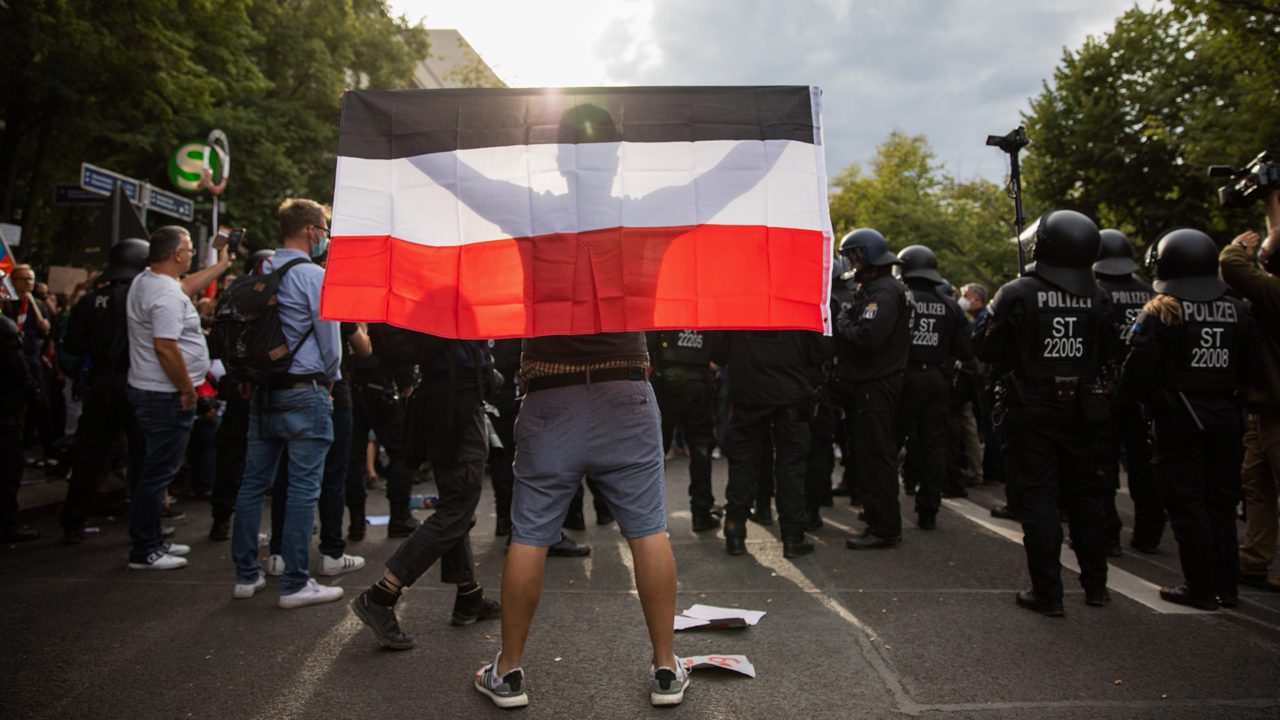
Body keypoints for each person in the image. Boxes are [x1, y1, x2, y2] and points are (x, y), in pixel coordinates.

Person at [471, 332, 686, 709]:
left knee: (531, 535)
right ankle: (666, 668)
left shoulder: (534, 267)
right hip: (625, 389)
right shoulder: (635, 268)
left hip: (550, 394)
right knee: (649, 531)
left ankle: (508, 671)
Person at [976, 209, 1118, 616]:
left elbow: (987, 350)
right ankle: (1096, 587)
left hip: (1032, 409)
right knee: (1086, 498)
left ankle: (1048, 595)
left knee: (1039, 499)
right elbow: (1111, 352)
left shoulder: (1018, 292)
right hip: (1085, 409)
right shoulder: (1099, 296)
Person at [1124, 228, 1253, 610]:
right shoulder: (1239, 310)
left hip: (1178, 419)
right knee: (1221, 504)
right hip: (1227, 417)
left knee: (1187, 504)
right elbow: (1251, 370)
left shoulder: (1162, 310)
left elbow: (1135, 375)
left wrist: (1142, 403)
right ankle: (1226, 588)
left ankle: (1199, 587)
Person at [350, 328, 500, 647]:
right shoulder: (456, 293)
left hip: (439, 401)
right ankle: (382, 593)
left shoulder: (429, 296)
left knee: (454, 505)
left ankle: (468, 594)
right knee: (456, 509)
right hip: (457, 405)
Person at [230, 198, 343, 607]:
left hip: (263, 390)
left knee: (253, 485)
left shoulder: (260, 271)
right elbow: (329, 336)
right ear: (311, 231)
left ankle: (246, 576)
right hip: (304, 390)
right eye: (325, 230)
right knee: (301, 488)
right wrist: (331, 379)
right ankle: (295, 583)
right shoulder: (313, 275)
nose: (325, 238)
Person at [125, 227, 233, 570]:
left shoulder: (150, 281)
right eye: (187, 249)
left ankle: (152, 539)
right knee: (158, 473)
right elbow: (165, 346)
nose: (190, 254)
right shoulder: (165, 295)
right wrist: (188, 389)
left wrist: (222, 264)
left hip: (151, 391)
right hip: (165, 395)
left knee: (153, 470)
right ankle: (145, 550)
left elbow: (186, 286)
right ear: (176, 255)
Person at [60, 238, 150, 544]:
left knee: (89, 453)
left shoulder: (89, 300)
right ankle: (143, 527)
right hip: (134, 382)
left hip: (99, 385)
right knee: (141, 455)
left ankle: (73, 522)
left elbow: (72, 345)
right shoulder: (141, 297)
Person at [712, 329, 826, 558]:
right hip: (790, 394)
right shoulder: (798, 302)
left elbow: (718, 355)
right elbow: (821, 351)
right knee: (790, 467)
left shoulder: (741, 304)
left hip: (749, 394)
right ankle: (793, 538)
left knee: (743, 464)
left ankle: (735, 533)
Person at [833, 229, 911, 550]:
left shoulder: (884, 292)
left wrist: (841, 323)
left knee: (877, 457)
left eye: (854, 255)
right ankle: (878, 515)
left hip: (877, 386)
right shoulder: (882, 289)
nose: (850, 261)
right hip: (876, 384)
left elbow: (867, 337)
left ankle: (884, 527)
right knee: (871, 455)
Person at [1219, 189, 1280, 594]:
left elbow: (1231, 265)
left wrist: (1239, 245)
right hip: (1264, 407)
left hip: (1279, 409)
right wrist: (1272, 205)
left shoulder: (1274, 292)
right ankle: (1254, 561)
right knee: (1256, 484)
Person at [895, 245, 973, 530]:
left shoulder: (899, 299)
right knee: (934, 446)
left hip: (904, 379)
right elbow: (966, 349)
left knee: (889, 442)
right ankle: (929, 511)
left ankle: (881, 510)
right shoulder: (950, 306)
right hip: (938, 381)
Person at [1093, 229, 1160, 555]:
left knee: (1103, 464)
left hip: (1106, 387)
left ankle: (1108, 536)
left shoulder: (1095, 292)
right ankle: (1148, 533)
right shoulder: (1149, 293)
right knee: (1143, 464)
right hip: (1143, 391)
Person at [648, 330, 718, 532]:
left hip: (666, 383)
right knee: (701, 449)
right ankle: (701, 513)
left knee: (657, 452)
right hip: (698, 384)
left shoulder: (665, 305)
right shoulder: (704, 307)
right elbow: (720, 351)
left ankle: (651, 519)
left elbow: (648, 342)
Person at [1, 271, 39, 542]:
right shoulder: (5, 328)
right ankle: (6, 524)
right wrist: (33, 393)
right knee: (7, 467)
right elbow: (19, 372)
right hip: (5, 411)